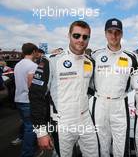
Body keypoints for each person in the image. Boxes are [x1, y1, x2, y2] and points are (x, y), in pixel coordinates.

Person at [29, 20, 99, 157]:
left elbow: (91, 88)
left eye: (85, 37)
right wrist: (41, 132)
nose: (81, 40)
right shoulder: (51, 61)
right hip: (62, 122)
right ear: (69, 35)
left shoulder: (90, 62)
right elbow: (36, 96)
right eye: (77, 35)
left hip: (85, 118)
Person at [91, 18, 138, 157]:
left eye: (117, 32)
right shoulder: (95, 55)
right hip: (100, 103)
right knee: (101, 143)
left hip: (120, 103)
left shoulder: (132, 57)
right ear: (105, 34)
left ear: (122, 34)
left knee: (121, 143)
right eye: (110, 32)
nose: (114, 36)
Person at [14, 43, 38, 157]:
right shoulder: (32, 65)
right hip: (27, 100)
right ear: (33, 51)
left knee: (26, 124)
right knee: (30, 128)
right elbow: (31, 85)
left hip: (18, 99)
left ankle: (26, 147)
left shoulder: (18, 64)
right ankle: (27, 153)